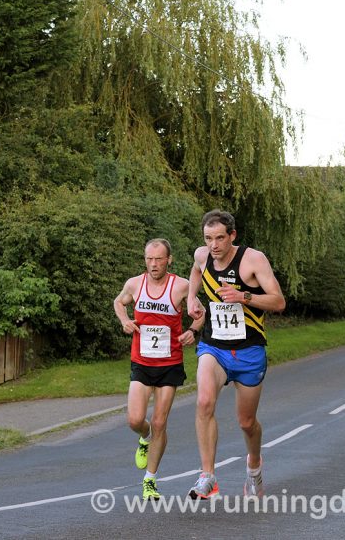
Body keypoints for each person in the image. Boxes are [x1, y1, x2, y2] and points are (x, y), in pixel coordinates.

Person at [186, 210, 285, 500]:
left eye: (219, 238)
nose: (213, 245)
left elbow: (278, 301)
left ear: (232, 235)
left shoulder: (253, 260)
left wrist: (243, 297)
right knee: (204, 401)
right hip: (214, 347)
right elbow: (196, 271)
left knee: (246, 422)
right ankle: (208, 476)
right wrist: (192, 298)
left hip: (248, 351)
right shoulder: (202, 255)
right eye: (208, 238)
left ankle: (254, 467)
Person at [114, 238, 204, 500]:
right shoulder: (135, 284)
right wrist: (124, 320)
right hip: (142, 362)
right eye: (149, 259)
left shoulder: (181, 286)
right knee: (135, 420)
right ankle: (145, 438)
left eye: (158, 259)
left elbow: (200, 312)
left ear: (169, 260)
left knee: (160, 422)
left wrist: (192, 330)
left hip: (169, 363)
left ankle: (150, 481)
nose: (153, 264)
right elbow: (119, 302)